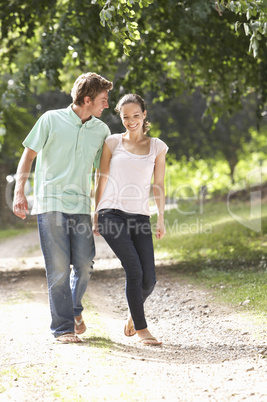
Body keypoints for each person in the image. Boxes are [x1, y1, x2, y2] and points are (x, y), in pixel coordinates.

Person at [13, 72, 113, 343]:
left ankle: (74, 309)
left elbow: (101, 173)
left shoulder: (101, 130)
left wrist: (100, 209)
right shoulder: (50, 119)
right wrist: (19, 191)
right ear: (88, 99)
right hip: (50, 202)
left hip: (81, 204)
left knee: (84, 263)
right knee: (58, 268)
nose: (107, 105)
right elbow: (28, 155)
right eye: (103, 100)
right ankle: (63, 328)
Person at [94, 94, 168, 346]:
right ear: (121, 117)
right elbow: (101, 177)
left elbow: (159, 185)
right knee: (134, 270)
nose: (131, 121)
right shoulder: (112, 142)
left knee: (150, 279)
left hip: (139, 215)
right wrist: (96, 212)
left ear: (144, 114)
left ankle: (132, 316)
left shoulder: (157, 146)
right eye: (126, 117)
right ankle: (142, 329)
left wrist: (161, 218)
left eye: (136, 115)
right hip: (110, 212)